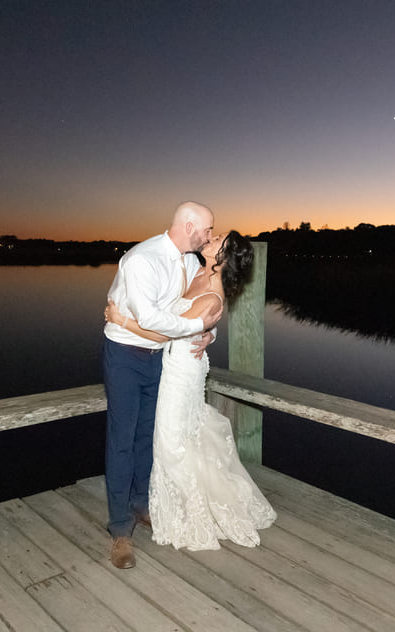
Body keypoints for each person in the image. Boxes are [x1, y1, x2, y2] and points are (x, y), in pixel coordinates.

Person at [106, 230, 276, 551]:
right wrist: (209, 332)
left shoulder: (212, 295)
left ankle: (186, 509)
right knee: (176, 435)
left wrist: (121, 320)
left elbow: (164, 334)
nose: (210, 240)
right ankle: (165, 501)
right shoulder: (196, 269)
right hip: (173, 364)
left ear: (222, 258)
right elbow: (181, 317)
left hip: (181, 369)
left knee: (172, 439)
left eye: (218, 241)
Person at [102, 201, 222, 569]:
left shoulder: (189, 261)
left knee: (147, 434)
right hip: (124, 353)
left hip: (161, 357)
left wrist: (209, 331)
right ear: (189, 227)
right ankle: (120, 530)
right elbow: (149, 317)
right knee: (122, 438)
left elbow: (197, 305)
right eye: (207, 229)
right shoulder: (142, 259)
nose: (211, 236)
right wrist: (195, 328)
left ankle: (141, 505)